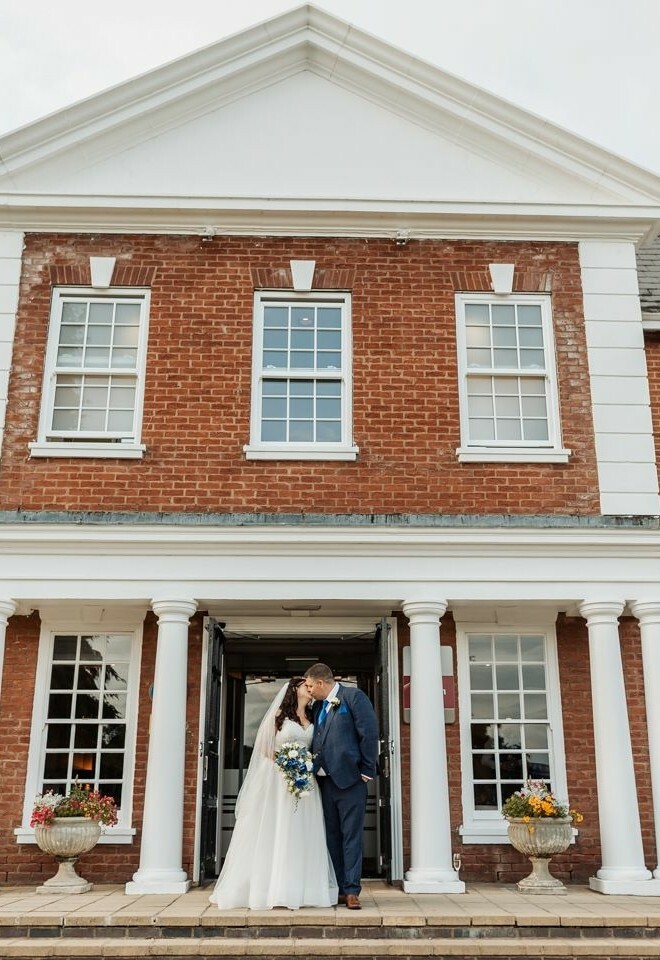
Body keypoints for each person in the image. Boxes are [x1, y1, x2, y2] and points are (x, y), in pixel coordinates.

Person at [209, 677, 338, 910]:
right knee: (277, 829)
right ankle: (271, 888)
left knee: (302, 832)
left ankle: (302, 889)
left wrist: (304, 765)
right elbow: (265, 748)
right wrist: (288, 765)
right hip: (278, 781)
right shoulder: (280, 715)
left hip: (305, 783)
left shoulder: (313, 717)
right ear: (294, 690)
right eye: (305, 686)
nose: (309, 689)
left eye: (311, 686)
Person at [304, 663, 378, 911]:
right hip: (324, 782)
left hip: (351, 781)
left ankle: (351, 890)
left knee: (352, 836)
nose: (309, 690)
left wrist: (367, 771)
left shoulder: (353, 697)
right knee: (331, 836)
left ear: (322, 683)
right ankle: (336, 888)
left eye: (311, 685)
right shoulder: (316, 707)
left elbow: (368, 733)